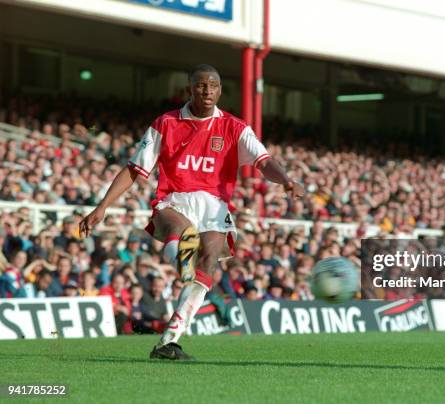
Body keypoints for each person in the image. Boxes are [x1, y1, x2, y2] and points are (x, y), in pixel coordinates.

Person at [79, 64, 304, 360]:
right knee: (180, 233)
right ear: (189, 90)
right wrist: (103, 206)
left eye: (213, 85)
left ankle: (169, 340)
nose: (207, 90)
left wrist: (286, 180)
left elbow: (264, 161)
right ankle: (183, 259)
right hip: (174, 199)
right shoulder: (166, 123)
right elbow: (135, 169)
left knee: (208, 263)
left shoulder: (235, 128)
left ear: (220, 91)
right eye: (200, 85)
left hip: (215, 205)